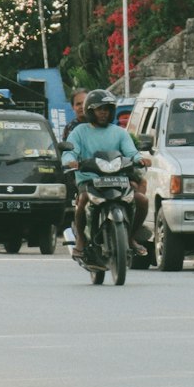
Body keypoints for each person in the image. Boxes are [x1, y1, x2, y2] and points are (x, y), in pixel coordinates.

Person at [65, 88, 150, 259]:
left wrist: (140, 159)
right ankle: (81, 240)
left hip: (117, 179)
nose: (103, 113)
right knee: (83, 199)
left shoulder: (119, 132)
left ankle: (131, 237)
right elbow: (70, 151)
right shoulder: (79, 132)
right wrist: (70, 160)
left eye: (107, 109)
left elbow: (131, 152)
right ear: (91, 111)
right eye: (99, 109)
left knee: (142, 200)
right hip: (89, 180)